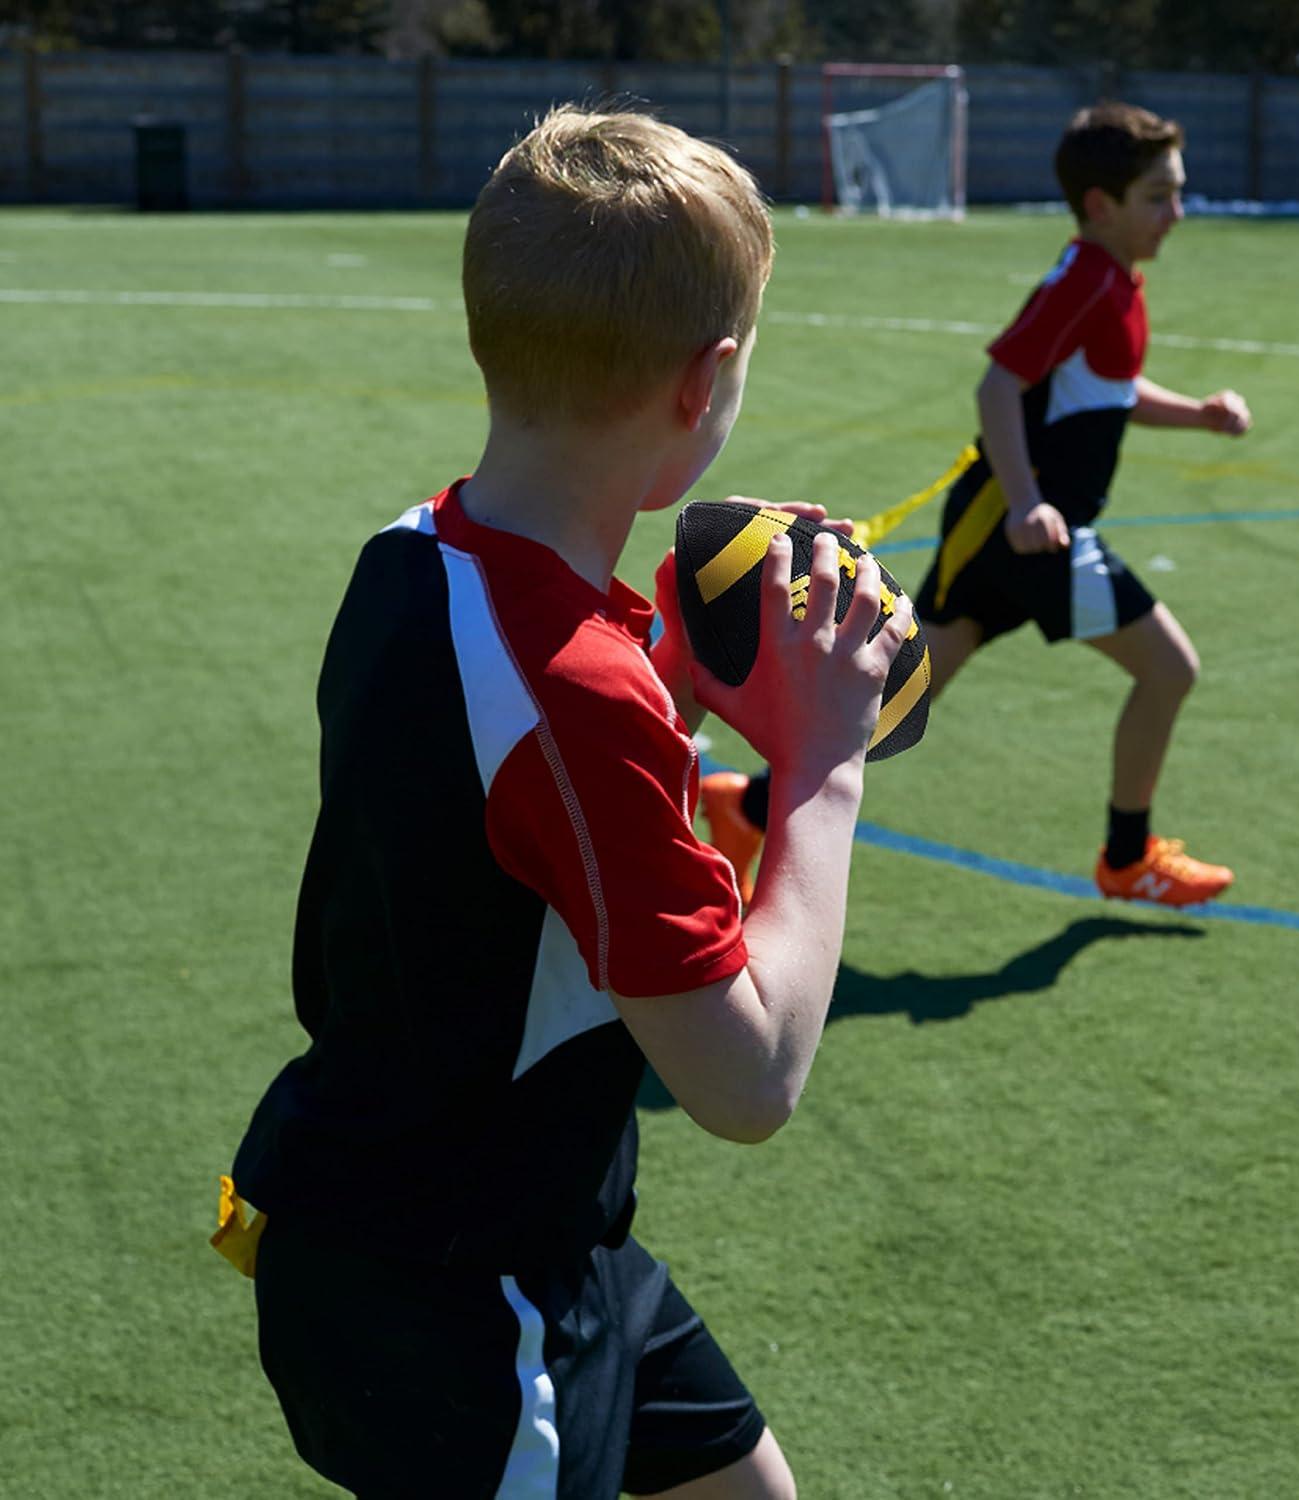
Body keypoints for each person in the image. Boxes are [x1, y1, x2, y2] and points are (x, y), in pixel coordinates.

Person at [221, 105, 911, 1500]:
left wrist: (679, 683)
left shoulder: (413, 554)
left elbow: (498, 806)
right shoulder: (579, 702)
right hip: (468, 1306)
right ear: (703, 382)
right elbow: (749, 1080)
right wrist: (824, 762)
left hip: (451, 1214)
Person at [703, 101, 1251, 910]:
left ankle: (744, 806)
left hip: (1010, 527)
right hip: (1026, 532)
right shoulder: (1087, 281)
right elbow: (1000, 385)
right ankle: (1128, 858)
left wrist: (1195, 414)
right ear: (1102, 206)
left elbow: (1106, 388)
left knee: (902, 689)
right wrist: (1029, 504)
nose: (1176, 213)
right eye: (1159, 197)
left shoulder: (1111, 279)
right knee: (1169, 669)